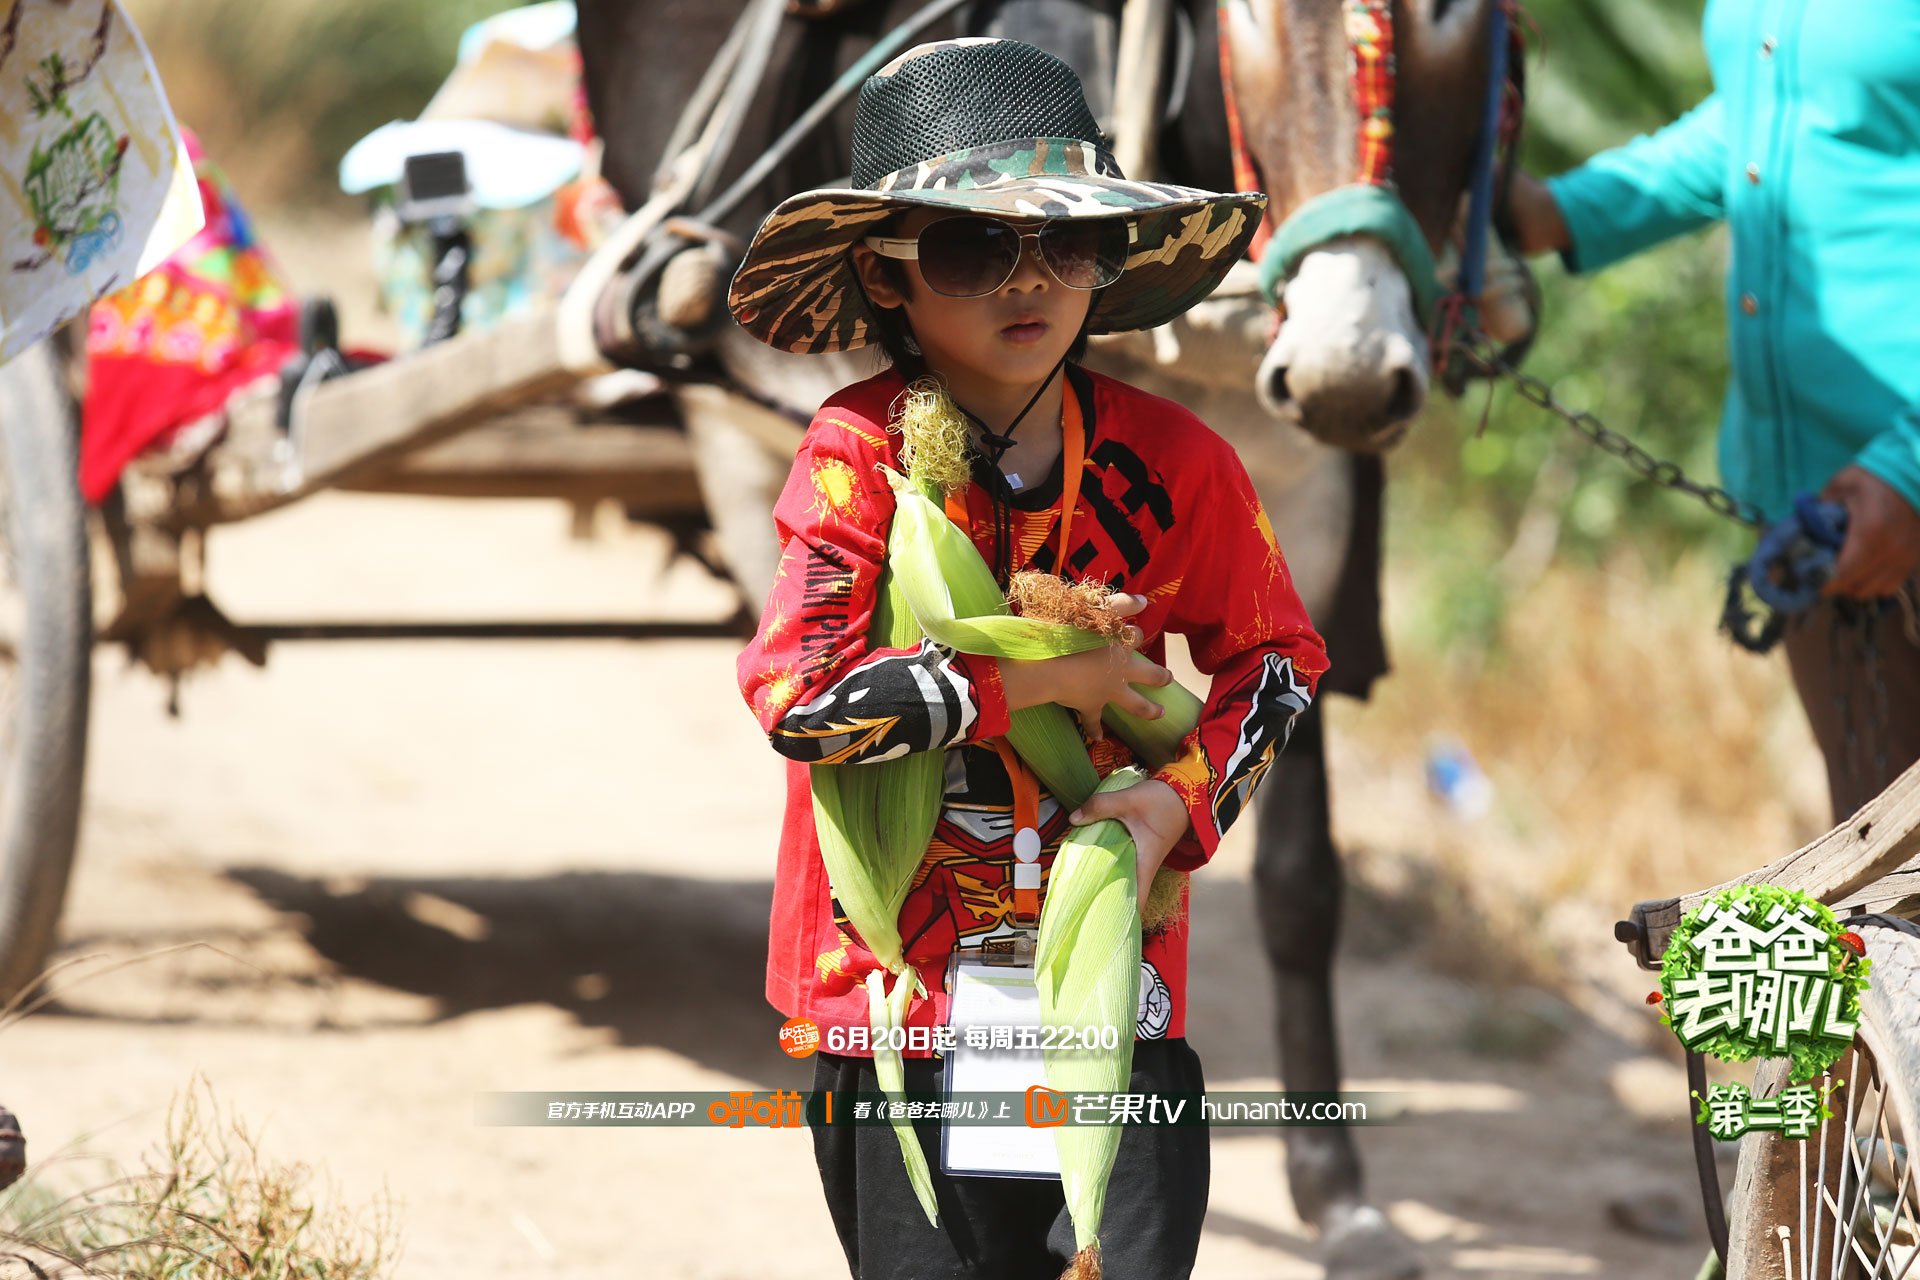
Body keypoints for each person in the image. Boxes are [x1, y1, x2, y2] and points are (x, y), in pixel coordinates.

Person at [728, 37, 1328, 1280]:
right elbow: (802, 701)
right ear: (886, 278)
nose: (1030, 279)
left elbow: (1278, 658)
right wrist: (1047, 683)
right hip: (896, 1003)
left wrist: (1172, 809)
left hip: (1112, 998)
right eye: (970, 246)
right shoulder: (851, 460)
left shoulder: (1179, 464)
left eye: (1071, 242)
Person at [1505, 2, 1920, 821]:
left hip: (1897, 484)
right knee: (1889, 889)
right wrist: (1559, 211)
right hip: (1823, 514)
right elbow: (1769, 114)